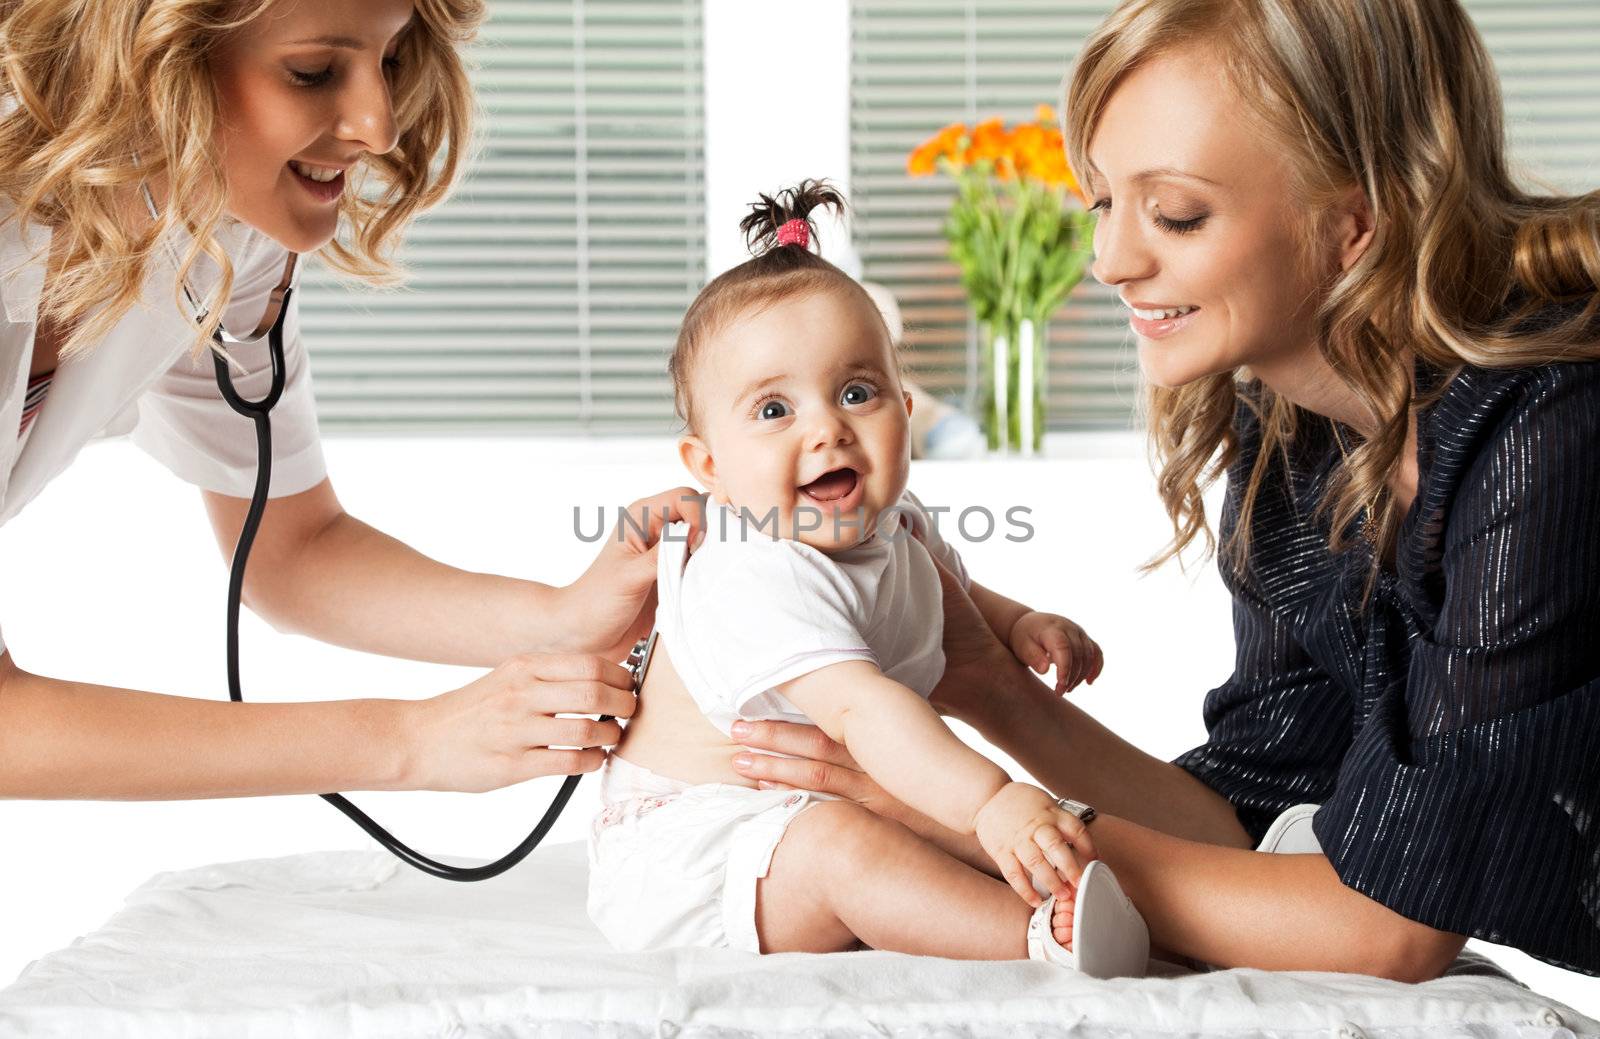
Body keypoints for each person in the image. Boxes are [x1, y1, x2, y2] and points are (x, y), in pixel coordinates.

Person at [723, 0, 1600, 981]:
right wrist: (993, 692)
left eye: (1174, 212)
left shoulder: (1548, 429)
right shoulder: (1289, 434)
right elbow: (1253, 826)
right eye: (1101, 201)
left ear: (1354, 219)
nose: (1110, 262)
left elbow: (1390, 924)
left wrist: (974, 826)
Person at [0, 1, 701, 804]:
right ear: (148, 60)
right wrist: (412, 741)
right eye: (313, 72)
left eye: (391, 58)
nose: (379, 125)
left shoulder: (221, 225)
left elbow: (295, 552)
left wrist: (566, 619)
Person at [584, 182, 1143, 973]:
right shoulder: (752, 566)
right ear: (709, 466)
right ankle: (1035, 938)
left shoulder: (895, 517)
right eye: (774, 410)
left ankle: (1068, 897)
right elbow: (863, 707)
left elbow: (952, 594)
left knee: (897, 826)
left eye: (856, 392)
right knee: (849, 845)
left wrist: (1017, 623)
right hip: (698, 847)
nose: (826, 427)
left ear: (905, 409)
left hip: (820, 796)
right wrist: (991, 802)